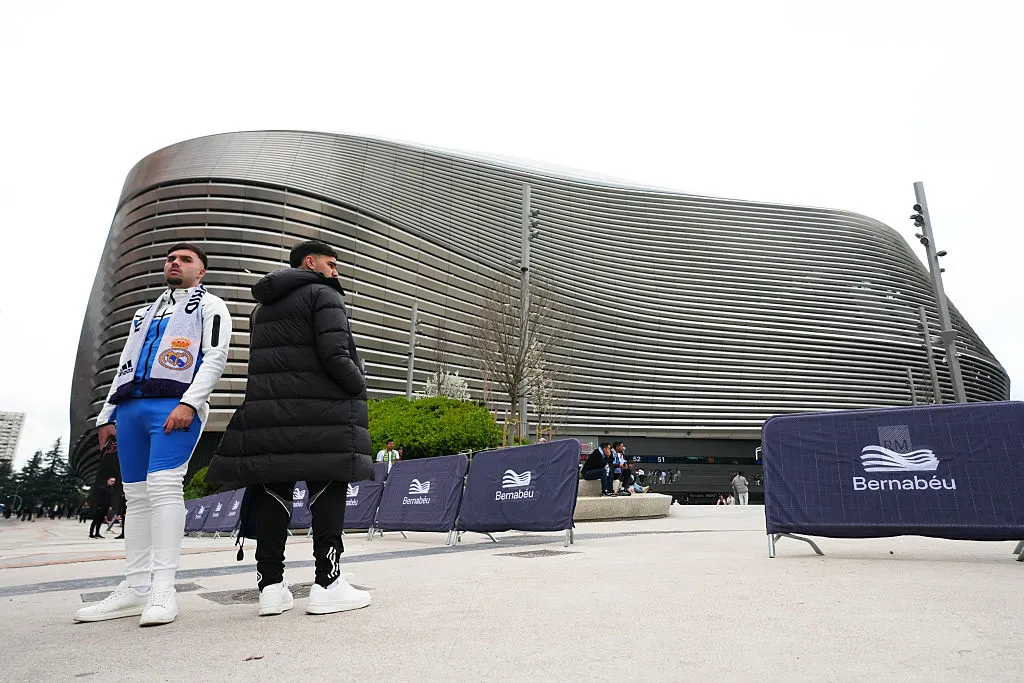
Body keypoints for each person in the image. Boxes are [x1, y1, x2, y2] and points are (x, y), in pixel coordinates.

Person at [208, 240, 373, 618]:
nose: (336, 272)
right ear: (310, 262)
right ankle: (328, 584)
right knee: (327, 490)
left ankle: (270, 588)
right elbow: (336, 354)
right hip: (322, 412)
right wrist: (358, 385)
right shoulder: (324, 295)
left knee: (273, 494)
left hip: (271, 416)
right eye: (331, 264)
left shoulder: (262, 308)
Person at [75, 243, 232, 626]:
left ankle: (163, 588)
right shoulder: (143, 313)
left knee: (163, 487)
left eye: (185, 260)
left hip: (173, 405)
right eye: (171, 259)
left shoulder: (210, 305)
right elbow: (124, 363)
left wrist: (190, 402)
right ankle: (135, 587)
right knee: (136, 496)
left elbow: (215, 355)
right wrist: (106, 415)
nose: (175, 263)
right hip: (130, 408)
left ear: (201, 272)